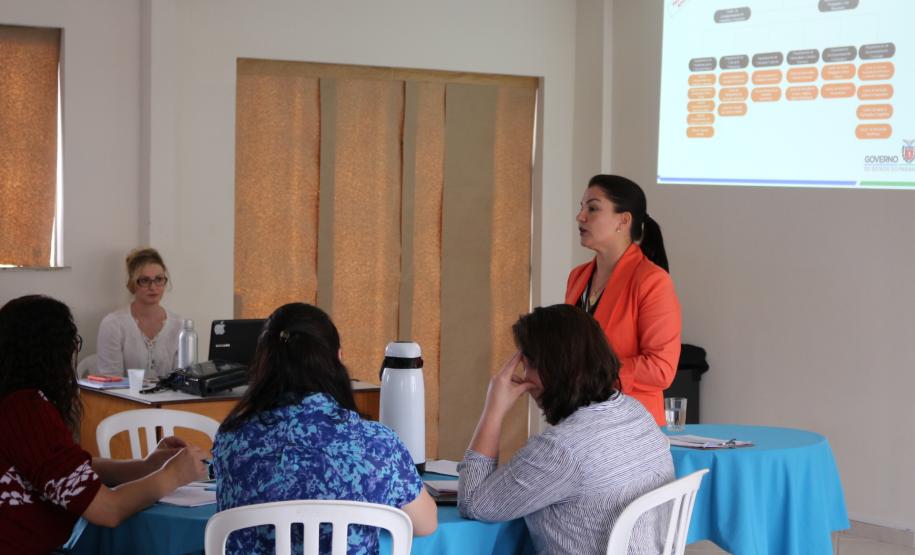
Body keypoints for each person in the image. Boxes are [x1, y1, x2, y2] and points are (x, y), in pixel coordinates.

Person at [211, 302, 436, 554]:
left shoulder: (233, 439)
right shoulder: (378, 445)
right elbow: (425, 525)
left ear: (263, 365)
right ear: (338, 359)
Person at [458, 304, 675, 554]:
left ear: (553, 368)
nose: (525, 376)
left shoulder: (562, 449)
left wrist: (493, 410)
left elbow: (473, 503)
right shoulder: (635, 412)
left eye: (527, 364)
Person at [0, 295, 207, 555]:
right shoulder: (26, 411)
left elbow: (72, 469)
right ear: (52, 353)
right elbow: (108, 510)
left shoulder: (15, 403)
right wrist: (172, 476)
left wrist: (146, 466)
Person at [566, 174, 681, 425]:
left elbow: (661, 369)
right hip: (578, 420)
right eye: (581, 207)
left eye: (593, 208)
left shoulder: (652, 280)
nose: (580, 216)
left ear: (623, 220)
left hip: (630, 427)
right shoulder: (578, 276)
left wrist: (592, 373)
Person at [96, 247, 183, 378]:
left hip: (168, 398)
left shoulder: (179, 325)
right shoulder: (113, 324)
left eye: (159, 279)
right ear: (132, 284)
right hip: (125, 398)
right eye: (144, 280)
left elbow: (183, 379)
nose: (153, 287)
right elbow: (111, 382)